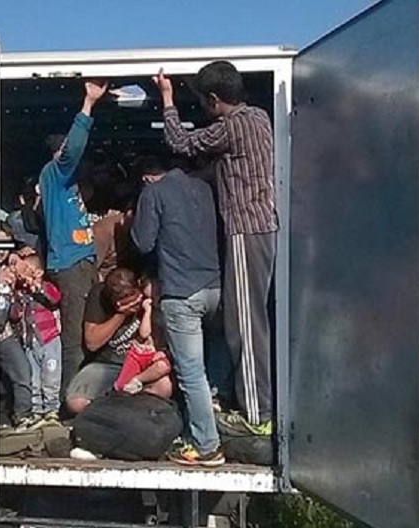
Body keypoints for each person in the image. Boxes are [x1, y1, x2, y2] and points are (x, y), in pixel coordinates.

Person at [153, 62, 277, 436]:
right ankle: (253, 404)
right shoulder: (259, 117)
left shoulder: (230, 126)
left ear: (212, 99)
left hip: (244, 230)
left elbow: (180, 142)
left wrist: (167, 97)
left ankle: (256, 415)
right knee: (248, 319)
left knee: (245, 325)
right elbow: (226, 169)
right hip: (261, 229)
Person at [130, 157, 225, 466]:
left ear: (147, 177)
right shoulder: (205, 188)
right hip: (216, 288)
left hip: (182, 292)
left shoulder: (153, 193)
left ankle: (206, 446)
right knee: (216, 361)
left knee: (191, 373)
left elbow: (143, 242)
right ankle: (218, 419)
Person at [39, 80, 108, 400]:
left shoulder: (64, 183)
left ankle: (85, 393)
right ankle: (70, 401)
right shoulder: (56, 172)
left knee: (89, 328)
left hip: (80, 262)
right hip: (71, 265)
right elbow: (73, 150)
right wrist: (88, 104)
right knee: (76, 336)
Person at [65, 268, 172, 415]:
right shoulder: (99, 296)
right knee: (76, 403)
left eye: (134, 298)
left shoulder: (146, 294)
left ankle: (124, 411)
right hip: (107, 364)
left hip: (142, 367)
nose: (134, 305)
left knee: (164, 387)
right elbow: (92, 343)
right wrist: (121, 315)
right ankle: (117, 411)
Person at [10, 254, 63, 427]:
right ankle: (37, 410)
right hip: (30, 342)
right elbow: (14, 315)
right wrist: (15, 296)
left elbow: (55, 298)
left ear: (38, 272)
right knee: (34, 378)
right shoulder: (21, 293)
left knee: (51, 377)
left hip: (49, 340)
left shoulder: (46, 287)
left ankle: (52, 409)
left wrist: (37, 286)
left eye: (26, 271)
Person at [0, 230, 37, 432]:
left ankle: (23, 416)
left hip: (4, 333)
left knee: (22, 371)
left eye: (6, 245)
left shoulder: (11, 267)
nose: (1, 250)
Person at [113, 277, 172, 395]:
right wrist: (147, 311)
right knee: (121, 386)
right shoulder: (144, 310)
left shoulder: (169, 310)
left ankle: (138, 380)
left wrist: (164, 352)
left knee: (162, 367)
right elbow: (144, 333)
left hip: (159, 354)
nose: (152, 301)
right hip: (141, 353)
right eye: (148, 297)